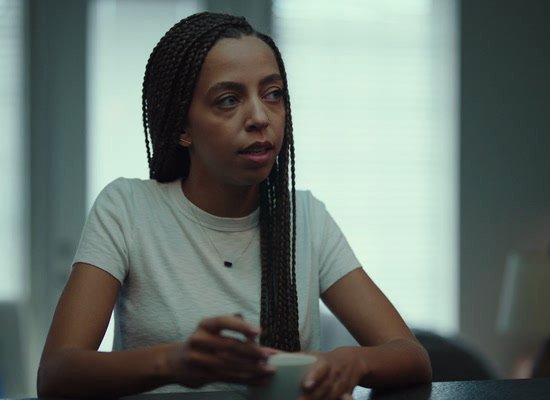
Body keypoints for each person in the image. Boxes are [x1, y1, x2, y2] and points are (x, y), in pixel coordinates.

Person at [37, 12, 432, 400]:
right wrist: (173, 362)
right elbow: (57, 373)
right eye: (228, 100)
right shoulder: (128, 209)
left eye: (273, 94)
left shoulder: (306, 218)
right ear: (182, 128)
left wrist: (351, 361)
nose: (260, 117)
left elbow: (411, 356)